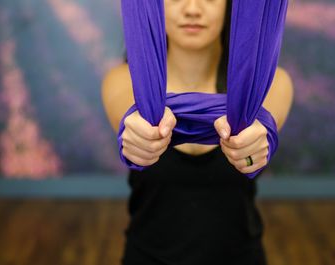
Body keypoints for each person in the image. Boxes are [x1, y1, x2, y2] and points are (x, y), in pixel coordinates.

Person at [102, 0, 294, 264]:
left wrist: (256, 147)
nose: (192, 8)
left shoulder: (273, 85)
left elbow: (263, 129)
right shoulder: (123, 81)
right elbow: (128, 116)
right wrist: (136, 134)